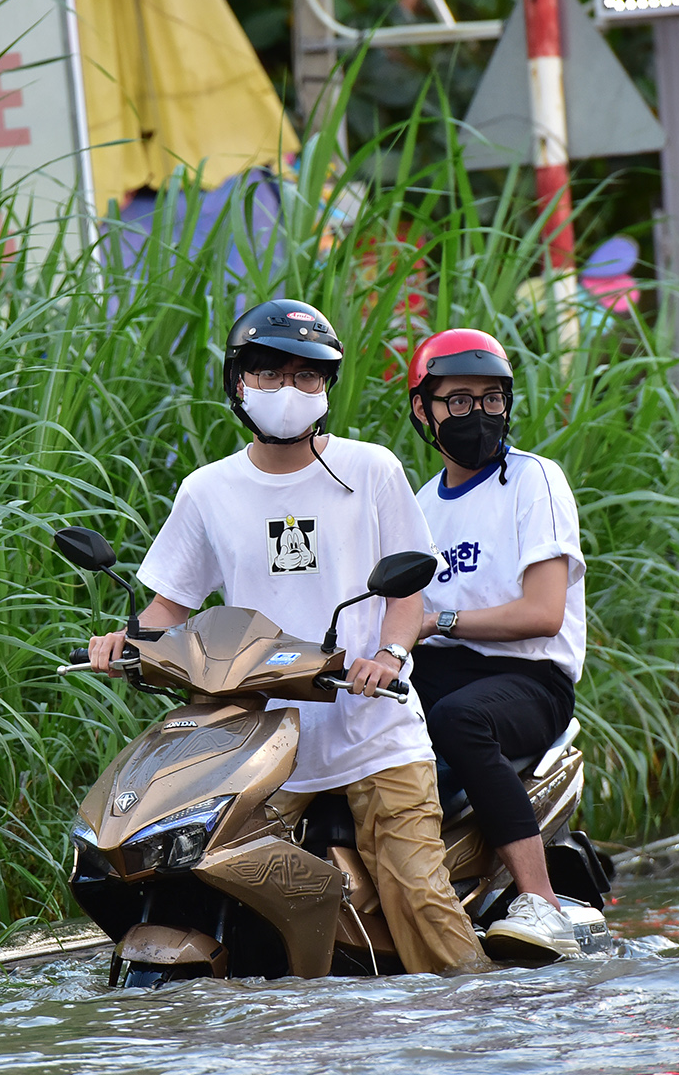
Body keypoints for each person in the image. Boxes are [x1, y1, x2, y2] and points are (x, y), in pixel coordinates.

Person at [88, 298, 483, 976]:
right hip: (262, 740)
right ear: (238, 384)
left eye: (307, 376)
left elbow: (406, 586)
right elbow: (166, 605)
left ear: (327, 387)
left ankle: (485, 1019)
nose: (288, 390)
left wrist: (389, 654)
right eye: (268, 373)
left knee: (419, 894)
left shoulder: (371, 470)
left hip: (373, 729)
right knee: (182, 859)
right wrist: (124, 641)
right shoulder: (209, 490)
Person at [405, 328, 587, 962]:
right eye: (458, 400)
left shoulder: (534, 481)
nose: (476, 414)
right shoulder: (420, 506)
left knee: (461, 720)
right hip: (443, 669)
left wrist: (440, 620)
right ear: (424, 409)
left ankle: (543, 902)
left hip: (530, 680)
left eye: (490, 399)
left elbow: (543, 613)